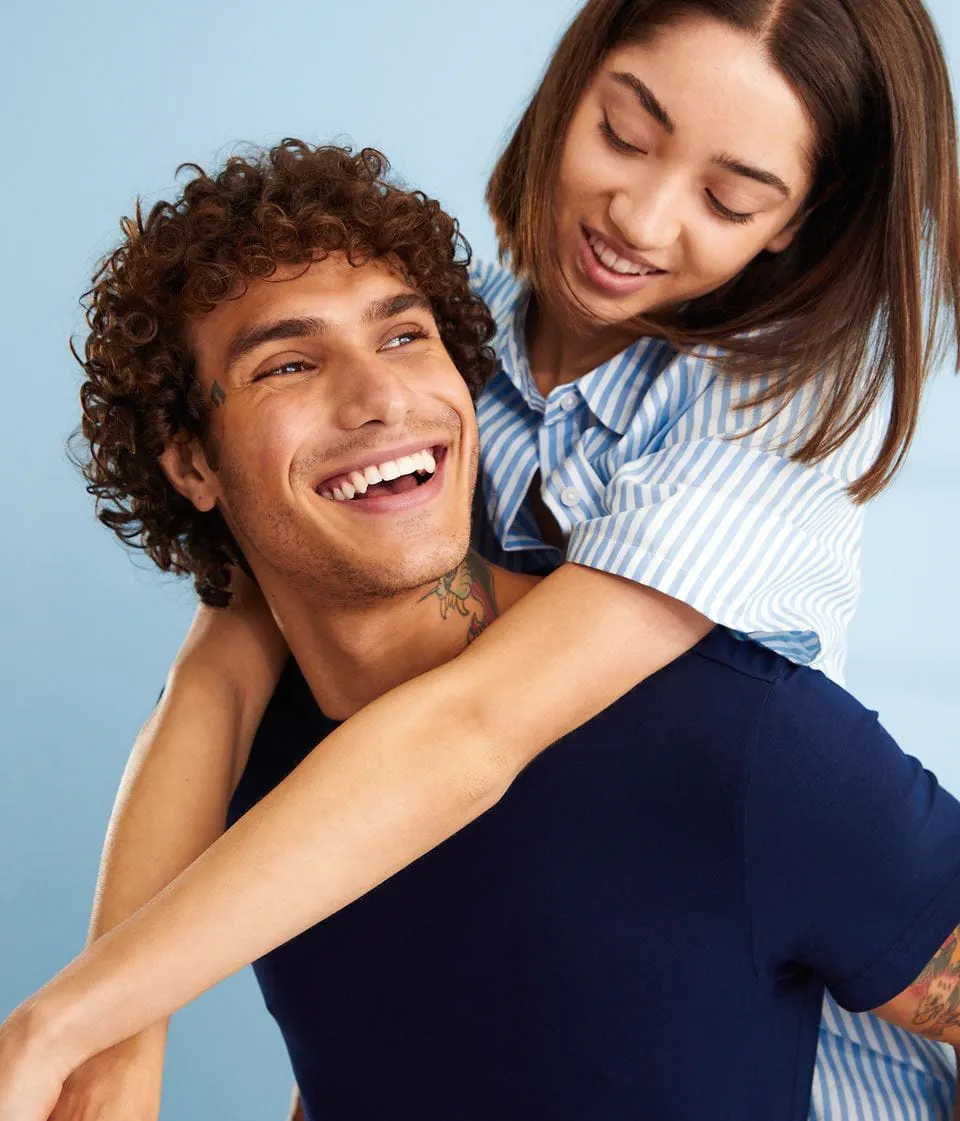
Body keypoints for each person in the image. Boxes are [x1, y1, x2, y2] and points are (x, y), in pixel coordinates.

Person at [10, 0, 960, 1115]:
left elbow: (474, 731)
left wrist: (70, 1016)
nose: (641, 218)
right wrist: (116, 1048)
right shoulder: (454, 347)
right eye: (626, 132)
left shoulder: (757, 458)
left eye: (729, 196)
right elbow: (216, 670)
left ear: (801, 221)